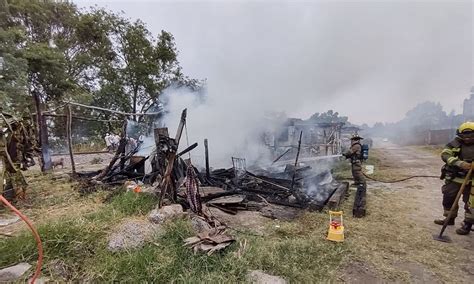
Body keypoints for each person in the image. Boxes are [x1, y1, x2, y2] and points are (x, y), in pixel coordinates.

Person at [435, 122, 474, 235]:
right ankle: (449, 219)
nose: (468, 139)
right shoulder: (454, 143)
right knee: (448, 197)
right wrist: (459, 163)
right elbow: (445, 154)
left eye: (471, 136)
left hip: (472, 181)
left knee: (471, 203)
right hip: (455, 177)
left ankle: (467, 225)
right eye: (465, 136)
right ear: (460, 135)